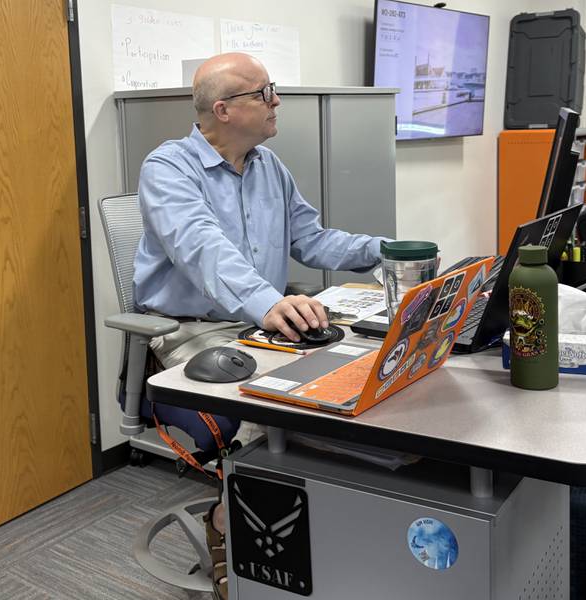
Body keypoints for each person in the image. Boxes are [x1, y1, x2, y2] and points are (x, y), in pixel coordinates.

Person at [133, 52, 387, 599]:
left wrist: (385, 251)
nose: (277, 102)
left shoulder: (269, 166)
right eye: (264, 92)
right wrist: (267, 302)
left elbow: (313, 239)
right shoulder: (168, 168)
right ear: (223, 110)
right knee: (270, 403)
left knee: (348, 377)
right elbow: (201, 247)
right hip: (191, 329)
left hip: (261, 322)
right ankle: (229, 523)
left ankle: (307, 515)